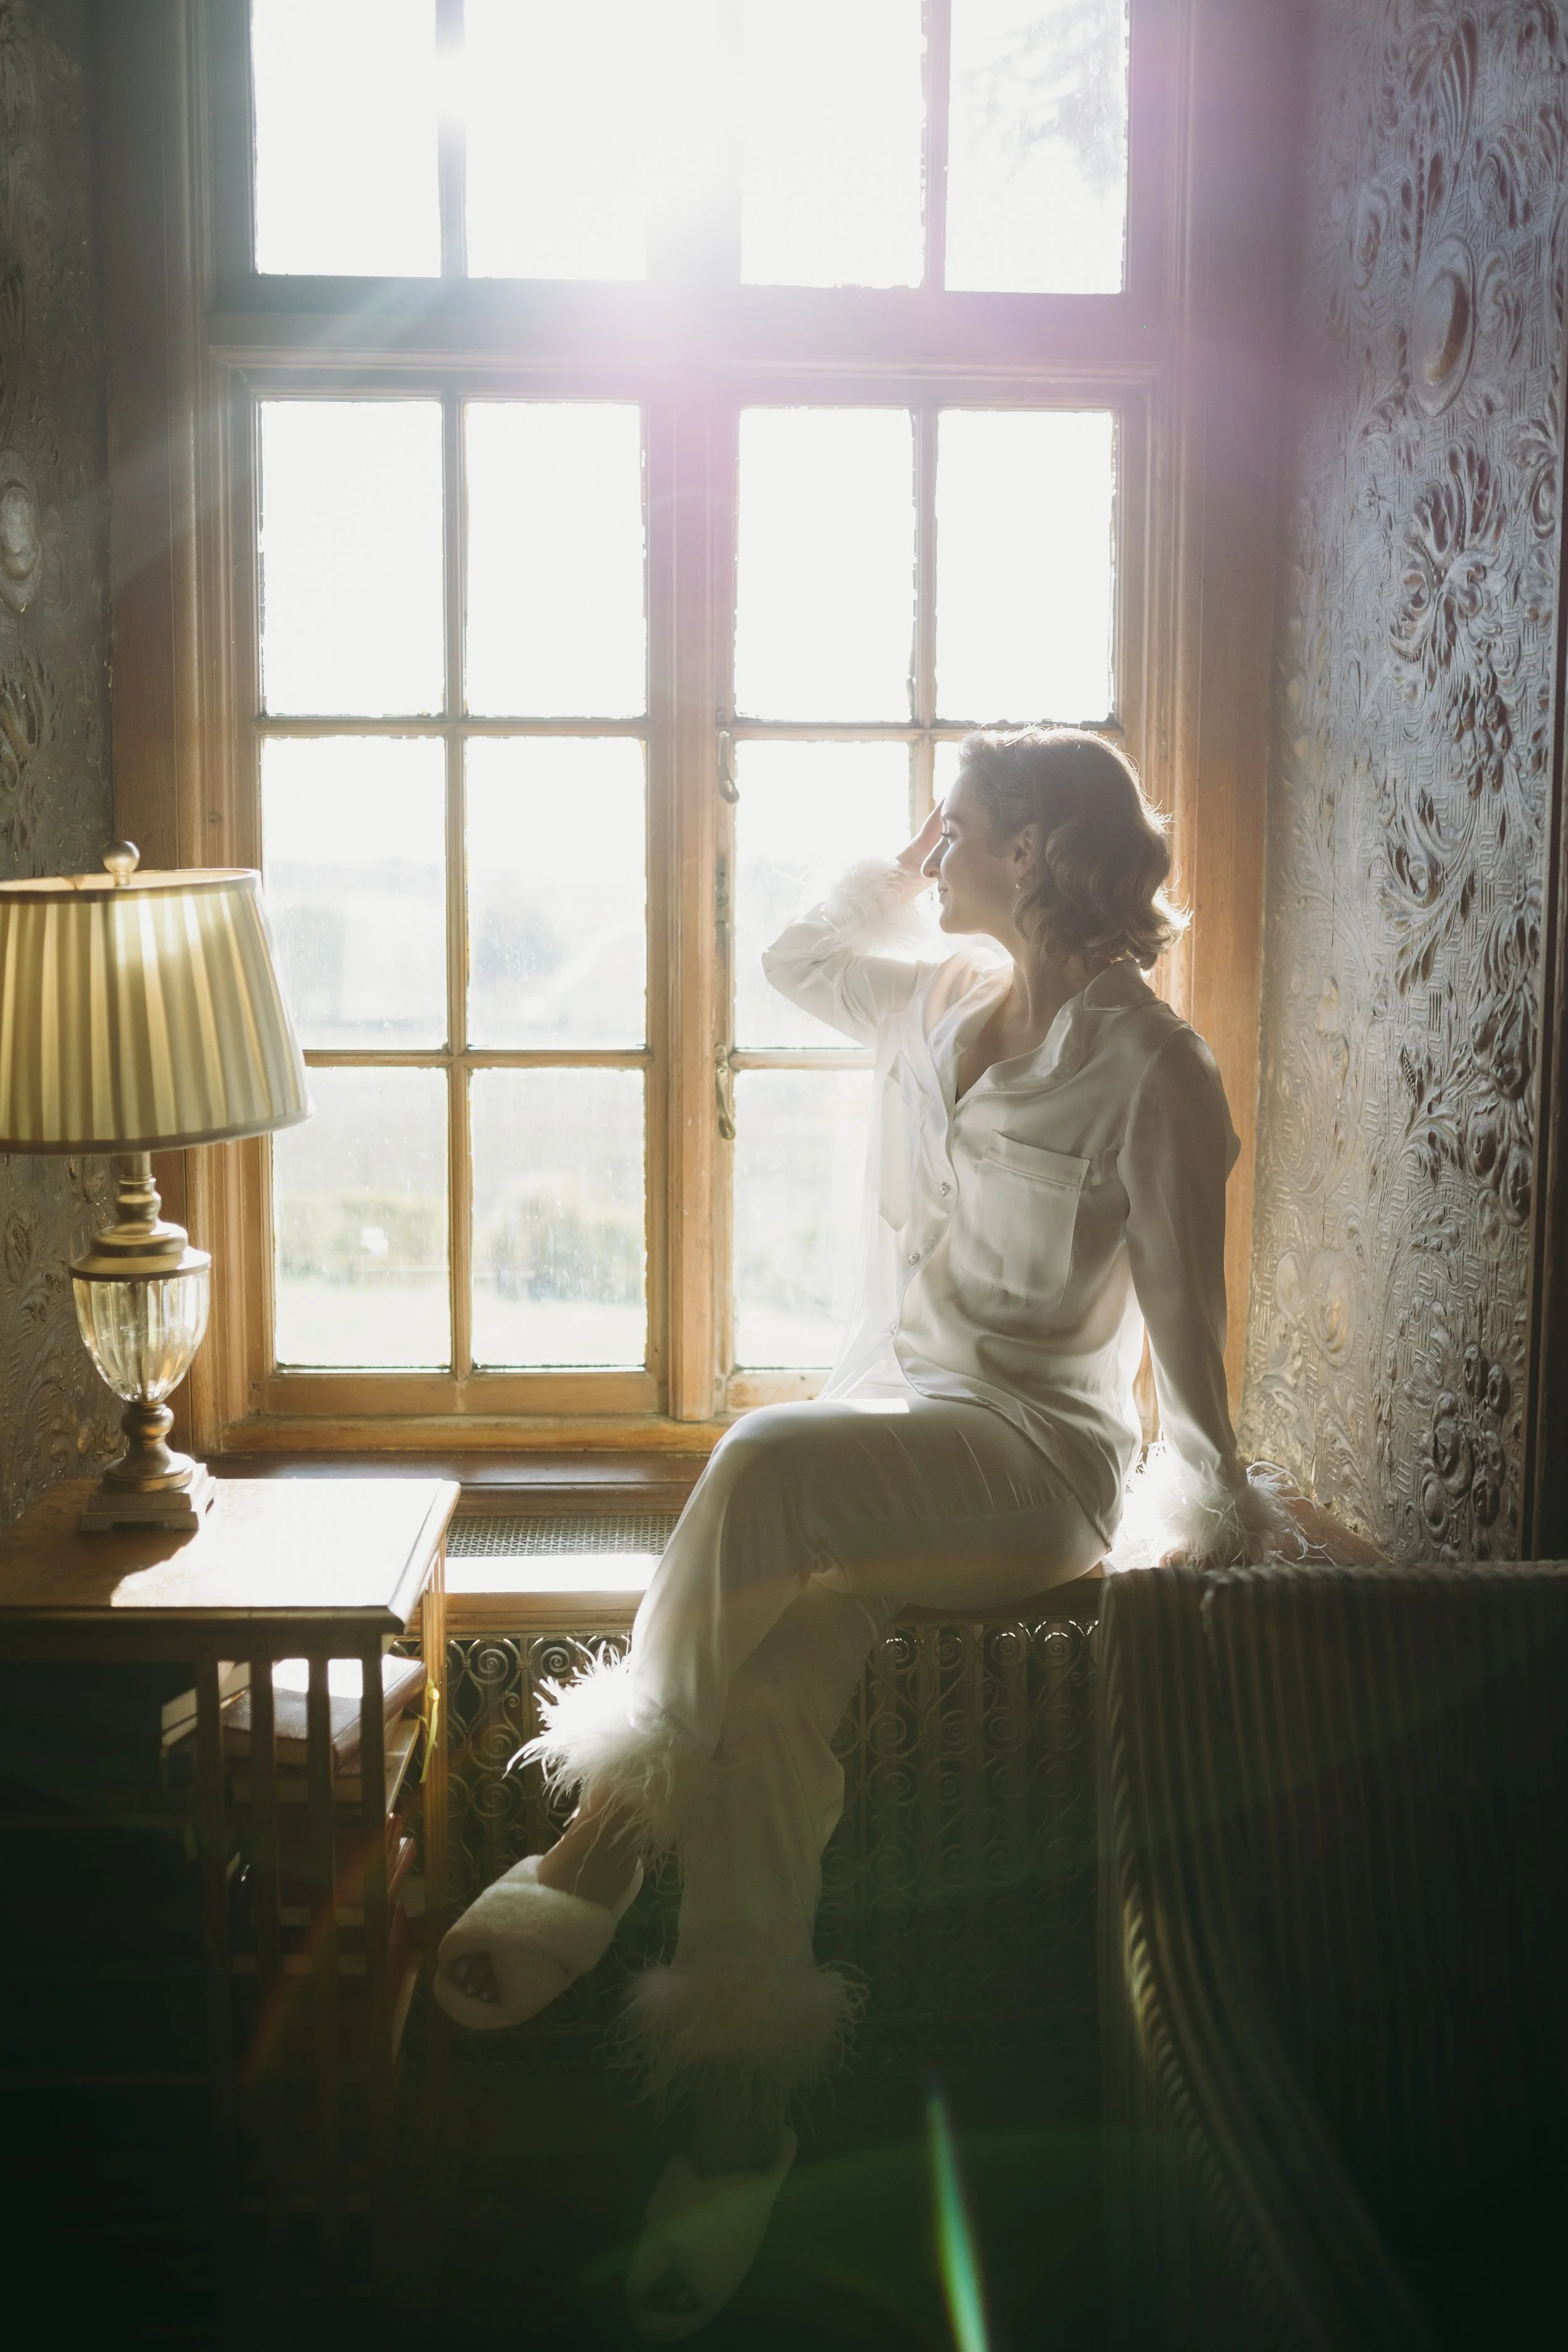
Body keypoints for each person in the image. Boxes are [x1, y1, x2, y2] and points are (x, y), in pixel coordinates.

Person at [433, 726, 1288, 2338]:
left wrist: (1202, 1523)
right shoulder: (940, 997)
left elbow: (1185, 1331)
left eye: (955, 827)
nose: (934, 847)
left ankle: (598, 1844)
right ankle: (738, 2121)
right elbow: (794, 953)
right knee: (761, 1705)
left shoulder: (1154, 1070)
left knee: (758, 1463)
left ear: (1032, 851)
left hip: (1037, 1471)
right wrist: (900, 879)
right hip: (900, 1430)